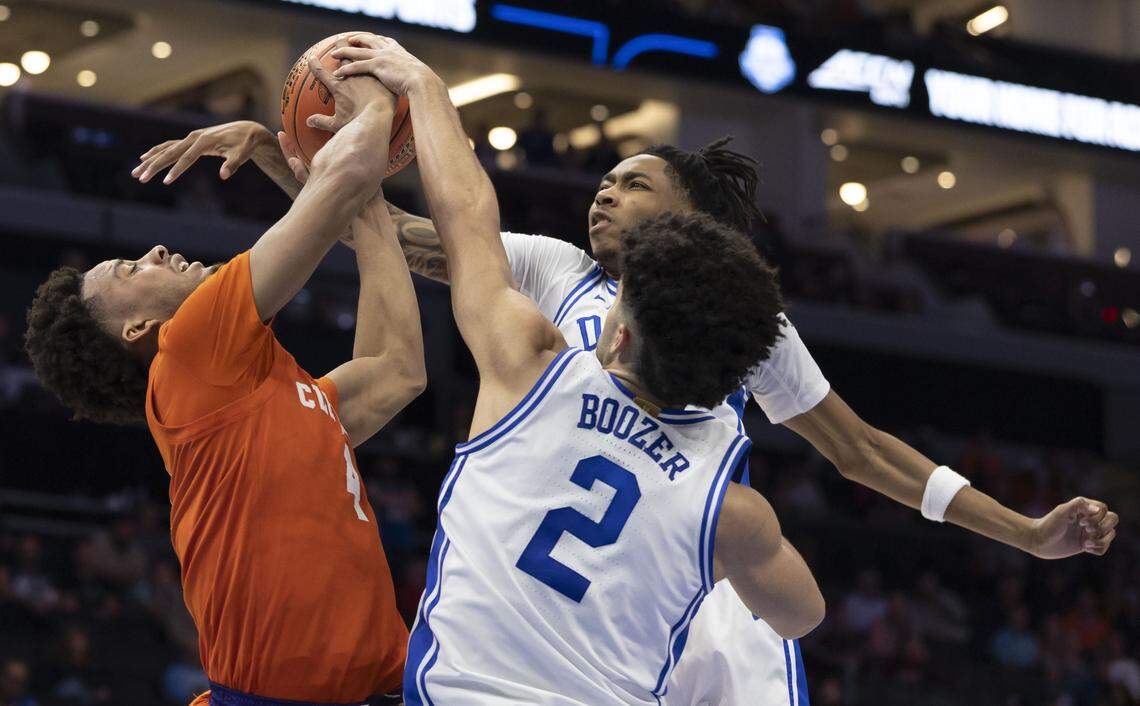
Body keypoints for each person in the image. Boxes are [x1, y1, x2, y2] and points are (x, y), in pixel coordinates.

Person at [136, 38, 1121, 706]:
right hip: (615, 582)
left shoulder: (741, 319)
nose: (604, 191)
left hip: (690, 581)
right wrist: (283, 160)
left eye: (634, 182)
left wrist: (1023, 533)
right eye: (605, 179)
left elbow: (864, 453)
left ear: (687, 222)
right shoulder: (560, 269)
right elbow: (389, 231)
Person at [325, 36, 824, 705]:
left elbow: (465, 214)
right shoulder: (731, 512)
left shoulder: (529, 370)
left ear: (614, 335)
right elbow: (802, 615)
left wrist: (423, 87)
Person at [24, 58, 424, 706]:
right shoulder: (185, 349)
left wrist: (359, 189)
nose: (153, 252)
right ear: (138, 330)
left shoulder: (255, 396)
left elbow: (396, 369)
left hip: (368, 688)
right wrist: (368, 103)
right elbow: (344, 177)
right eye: (130, 270)